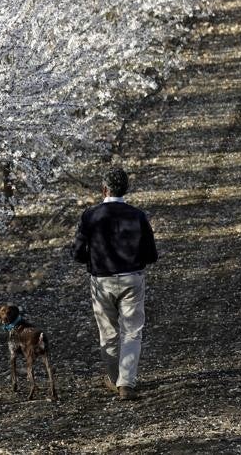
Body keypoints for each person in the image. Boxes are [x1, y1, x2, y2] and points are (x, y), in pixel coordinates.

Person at [71, 167, 158, 401]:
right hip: (132, 277)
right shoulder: (137, 215)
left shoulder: (90, 216)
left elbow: (77, 252)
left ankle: (113, 378)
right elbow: (151, 253)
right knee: (132, 331)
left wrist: (92, 261)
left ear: (104, 188)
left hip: (102, 280)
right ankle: (126, 382)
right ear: (126, 189)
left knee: (108, 333)